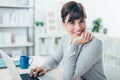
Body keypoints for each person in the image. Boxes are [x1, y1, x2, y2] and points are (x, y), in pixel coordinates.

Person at [30, 1, 107, 80]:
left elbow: (69, 78)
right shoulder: (66, 38)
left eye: (81, 21)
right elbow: (55, 60)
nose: (78, 27)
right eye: (71, 23)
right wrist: (44, 67)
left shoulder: (95, 44)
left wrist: (75, 43)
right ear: (63, 24)